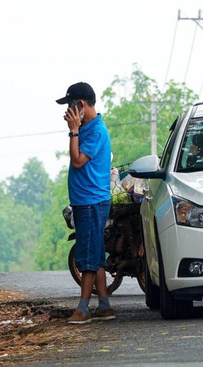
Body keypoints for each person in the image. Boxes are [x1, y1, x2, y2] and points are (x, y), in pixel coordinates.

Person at [57, 82, 114, 324]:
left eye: (71, 105)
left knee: (87, 256)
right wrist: (76, 128)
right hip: (84, 201)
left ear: (80, 104)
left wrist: (73, 130)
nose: (68, 111)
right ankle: (104, 305)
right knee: (96, 253)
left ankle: (83, 308)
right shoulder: (87, 127)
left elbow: (78, 160)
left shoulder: (96, 130)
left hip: (92, 201)